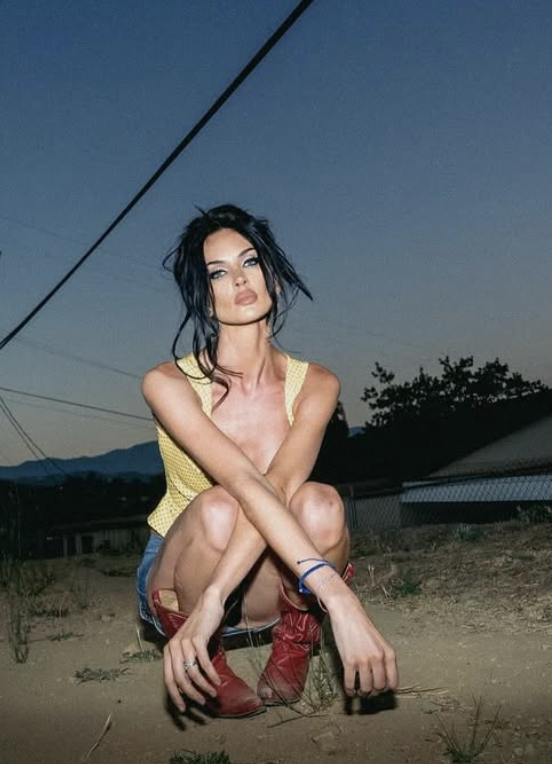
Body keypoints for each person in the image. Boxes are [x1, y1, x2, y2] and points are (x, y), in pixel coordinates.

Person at [135, 204, 398, 717]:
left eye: (250, 262)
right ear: (203, 296)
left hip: (267, 577)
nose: (239, 279)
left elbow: (276, 486)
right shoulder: (168, 383)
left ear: (272, 276)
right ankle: (204, 655)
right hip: (185, 580)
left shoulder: (316, 384)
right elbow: (243, 482)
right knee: (220, 506)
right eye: (218, 272)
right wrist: (336, 597)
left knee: (321, 503)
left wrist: (334, 599)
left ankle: (293, 639)